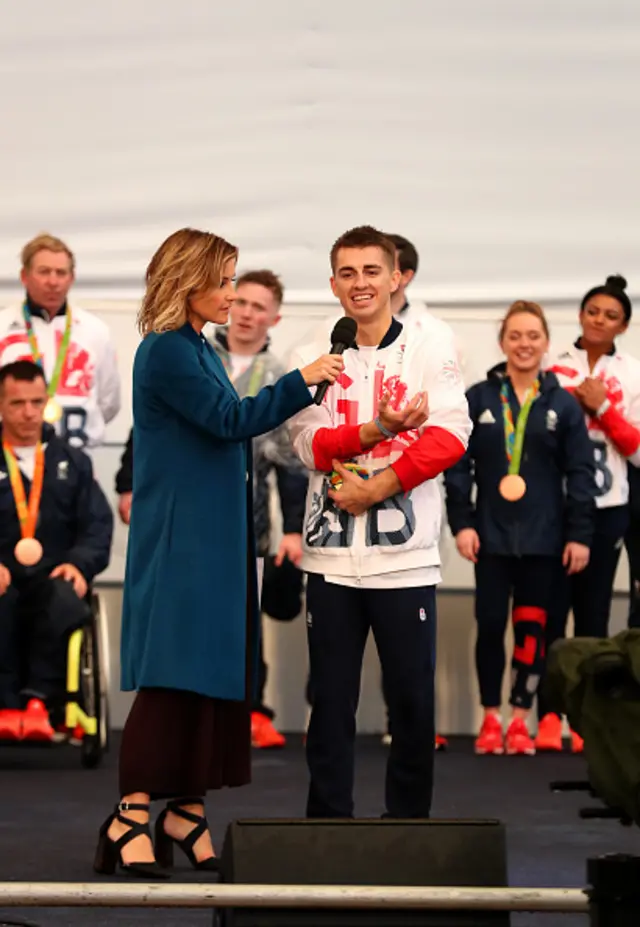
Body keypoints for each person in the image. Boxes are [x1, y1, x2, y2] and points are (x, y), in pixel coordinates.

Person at [94, 228, 343, 878]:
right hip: (182, 539)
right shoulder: (166, 351)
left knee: (210, 672)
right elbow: (231, 421)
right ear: (188, 279)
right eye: (225, 280)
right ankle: (129, 815)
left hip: (216, 536)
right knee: (174, 674)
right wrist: (299, 381)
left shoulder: (195, 347)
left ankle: (186, 809)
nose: (234, 295)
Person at [289, 225, 471, 819]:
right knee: (331, 701)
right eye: (347, 273)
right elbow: (304, 443)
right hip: (331, 559)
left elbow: (451, 434)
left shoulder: (426, 346)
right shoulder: (315, 351)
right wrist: (364, 455)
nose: (360, 284)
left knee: (413, 702)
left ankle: (409, 826)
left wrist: (383, 486)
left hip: (405, 558)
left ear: (397, 278)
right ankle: (328, 824)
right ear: (334, 283)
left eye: (372, 271)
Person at [113, 268, 308, 749]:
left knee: (240, 622)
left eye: (256, 305)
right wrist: (127, 483)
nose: (241, 309)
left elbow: (287, 463)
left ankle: (248, 709)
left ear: (274, 318)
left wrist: (293, 527)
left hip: (248, 516)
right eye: (236, 297)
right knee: (184, 632)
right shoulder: (189, 350)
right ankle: (155, 774)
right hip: (195, 516)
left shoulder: (274, 370)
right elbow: (151, 430)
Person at [444, 301, 595, 756]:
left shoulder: (563, 404)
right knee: (489, 626)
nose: (524, 344)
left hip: (544, 540)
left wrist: (579, 535)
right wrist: (462, 524)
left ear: (546, 342)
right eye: (515, 336)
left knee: (532, 631)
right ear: (502, 342)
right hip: (489, 537)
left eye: (533, 336)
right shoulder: (480, 398)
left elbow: (582, 473)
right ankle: (491, 717)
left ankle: (519, 717)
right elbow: (457, 467)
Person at [542, 275, 640, 752]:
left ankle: (587, 721)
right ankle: (545, 716)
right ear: (580, 314)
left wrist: (602, 410)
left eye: (612, 315)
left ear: (624, 325)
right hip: (554, 506)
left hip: (609, 506)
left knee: (594, 614)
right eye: (593, 311)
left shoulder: (634, 373)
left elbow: (638, 450)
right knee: (547, 610)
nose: (600, 320)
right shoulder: (552, 366)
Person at [0, 360, 113, 742]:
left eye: (36, 402)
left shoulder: (72, 462)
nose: (28, 412)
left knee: (63, 597)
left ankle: (37, 704)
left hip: (54, 574)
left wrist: (80, 565)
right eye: (17, 404)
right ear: (1, 405)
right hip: (3, 576)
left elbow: (97, 524)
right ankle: (5, 705)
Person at [0, 234, 121, 449]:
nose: (53, 282)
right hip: (9, 462)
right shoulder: (3, 327)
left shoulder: (96, 331)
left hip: (77, 463)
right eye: (44, 272)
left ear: (72, 278)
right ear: (24, 276)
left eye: (61, 273)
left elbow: (108, 402)